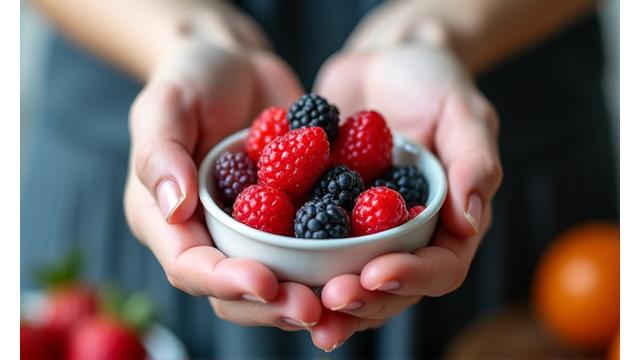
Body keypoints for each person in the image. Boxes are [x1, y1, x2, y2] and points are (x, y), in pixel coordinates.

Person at [22, 0, 618, 358]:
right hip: (125, 129)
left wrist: (438, 30)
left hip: (516, 141)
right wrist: (182, 38)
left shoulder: (375, 176)